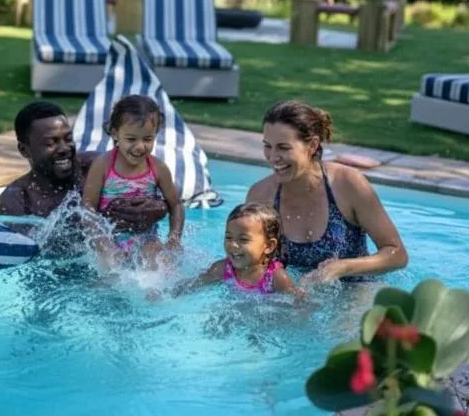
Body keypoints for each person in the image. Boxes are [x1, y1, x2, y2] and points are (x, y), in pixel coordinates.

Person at [246, 99, 408, 285]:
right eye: (267, 146)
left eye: (283, 147)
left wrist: (341, 267)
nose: (273, 157)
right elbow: (249, 261)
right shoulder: (260, 196)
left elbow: (397, 254)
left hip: (355, 288)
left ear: (312, 145)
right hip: (292, 291)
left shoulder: (347, 184)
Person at [0, 101, 168, 246]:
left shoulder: (95, 166)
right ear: (25, 150)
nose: (64, 148)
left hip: (120, 263)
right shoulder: (15, 200)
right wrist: (96, 222)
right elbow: (31, 251)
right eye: (50, 143)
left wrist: (159, 208)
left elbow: (154, 190)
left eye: (68, 139)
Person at [81, 94, 184, 269]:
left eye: (147, 139)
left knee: (157, 265)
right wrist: (101, 238)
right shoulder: (103, 166)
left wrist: (174, 238)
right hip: (110, 235)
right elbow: (87, 207)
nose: (139, 146)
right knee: (110, 265)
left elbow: (176, 204)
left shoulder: (158, 169)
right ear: (115, 134)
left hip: (146, 238)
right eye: (131, 139)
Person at [148, 203, 306, 303]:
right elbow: (193, 284)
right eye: (228, 237)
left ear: (269, 246)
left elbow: (299, 302)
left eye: (243, 240)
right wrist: (165, 294)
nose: (233, 245)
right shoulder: (223, 269)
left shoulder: (276, 278)